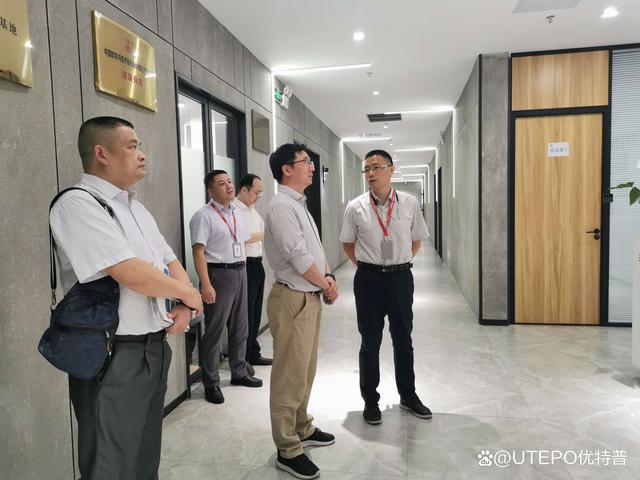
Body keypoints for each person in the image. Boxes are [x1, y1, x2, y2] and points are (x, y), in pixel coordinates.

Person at [49, 116, 203, 479]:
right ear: (101, 153)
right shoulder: (77, 204)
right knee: (111, 463)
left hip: (152, 348)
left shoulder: (135, 207)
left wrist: (185, 303)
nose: (142, 154)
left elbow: (169, 259)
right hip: (111, 354)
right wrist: (189, 293)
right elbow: (130, 272)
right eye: (132, 146)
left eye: (140, 146)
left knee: (144, 456)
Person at [340, 149, 432, 426]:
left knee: (403, 339)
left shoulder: (409, 203)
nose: (371, 173)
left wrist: (397, 264)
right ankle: (370, 400)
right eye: (367, 169)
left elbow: (417, 239)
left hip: (400, 279)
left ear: (391, 169)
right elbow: (348, 244)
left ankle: (409, 395)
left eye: (377, 167)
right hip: (368, 280)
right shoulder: (355, 206)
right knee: (370, 342)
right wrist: (369, 266)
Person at [264, 143, 339, 480]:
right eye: (305, 161)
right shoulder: (281, 206)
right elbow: (298, 256)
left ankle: (302, 426)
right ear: (287, 169)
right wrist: (325, 284)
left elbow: (314, 251)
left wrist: (328, 278)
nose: (311, 167)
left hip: (308, 296)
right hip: (292, 298)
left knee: (305, 370)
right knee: (289, 375)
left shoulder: (298, 204)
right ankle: (287, 448)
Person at [190, 170, 262, 405]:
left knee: (241, 327)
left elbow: (241, 240)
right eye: (222, 184)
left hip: (240, 271)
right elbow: (198, 252)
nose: (229, 186)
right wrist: (206, 284)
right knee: (214, 330)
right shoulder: (203, 216)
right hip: (218, 274)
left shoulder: (236, 212)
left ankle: (238, 372)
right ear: (211, 190)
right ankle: (211, 382)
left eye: (229, 181)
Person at [235, 173, 272, 372]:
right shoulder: (234, 210)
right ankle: (243, 358)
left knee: (256, 311)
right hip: (245, 265)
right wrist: (267, 234)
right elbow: (245, 237)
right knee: (246, 313)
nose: (258, 196)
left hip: (257, 264)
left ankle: (253, 352)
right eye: (256, 192)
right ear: (244, 189)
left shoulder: (252, 210)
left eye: (260, 193)